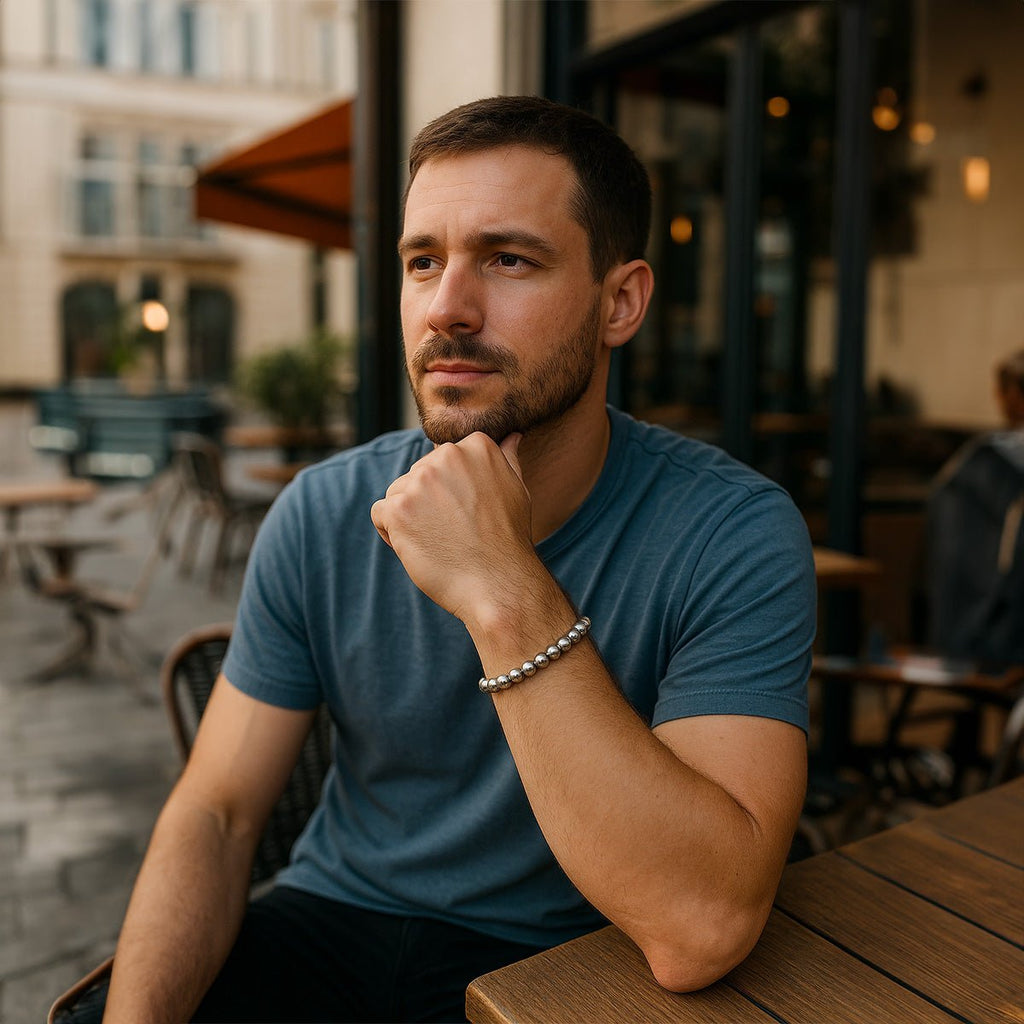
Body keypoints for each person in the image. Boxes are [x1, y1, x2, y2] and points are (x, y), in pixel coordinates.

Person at [98, 96, 816, 1023]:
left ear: (621, 301)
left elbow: (702, 923)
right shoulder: (322, 512)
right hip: (328, 921)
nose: (447, 308)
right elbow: (219, 814)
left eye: (509, 259)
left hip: (577, 962)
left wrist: (499, 584)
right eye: (422, 261)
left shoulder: (734, 534)